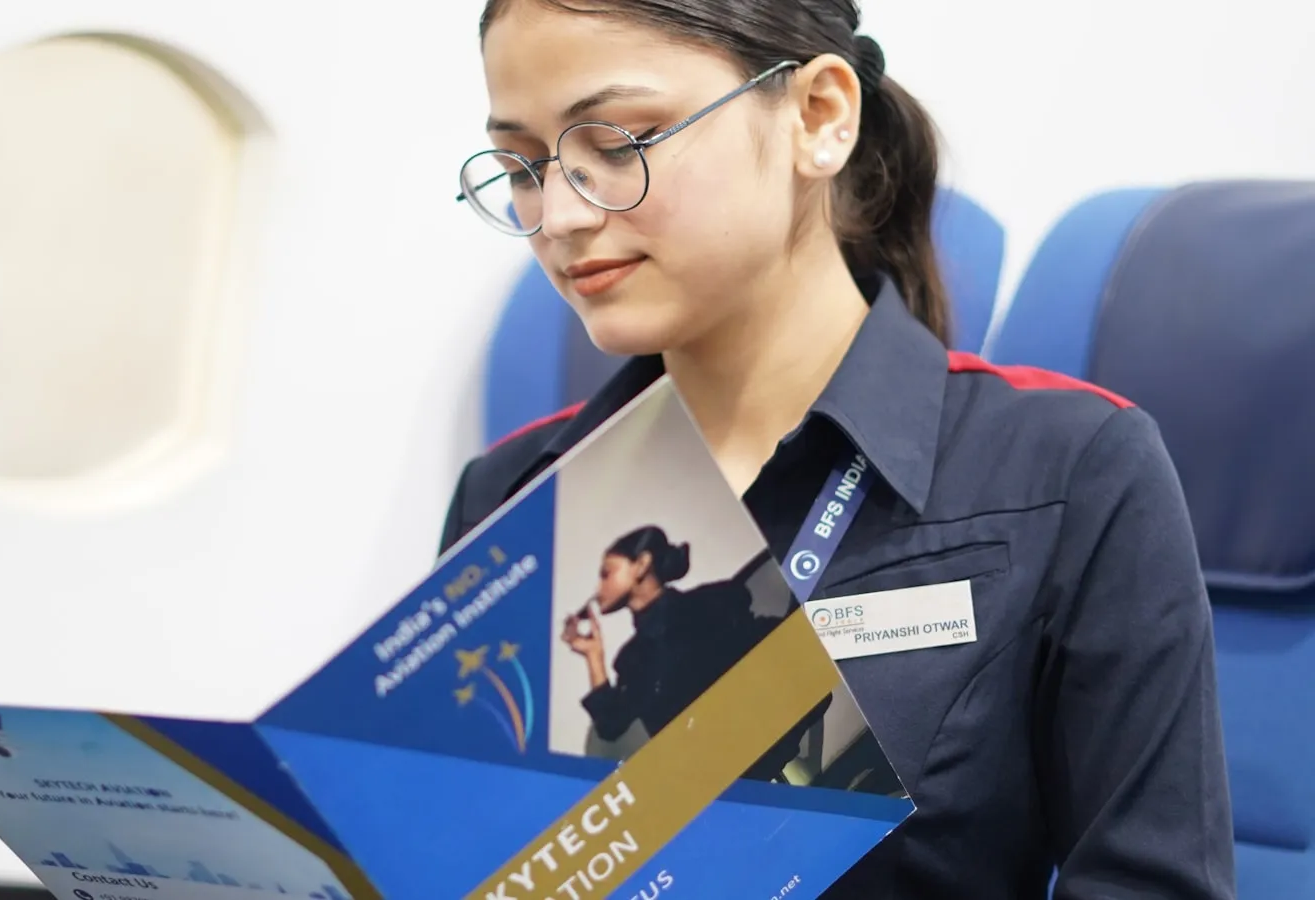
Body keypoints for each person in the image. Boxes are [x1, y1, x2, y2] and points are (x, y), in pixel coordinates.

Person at [436, 1, 1235, 897]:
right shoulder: (513, 496)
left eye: (619, 143)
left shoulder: (1072, 474)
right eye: (524, 163)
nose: (561, 215)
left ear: (818, 117)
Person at [562, 525, 826, 780]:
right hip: (725, 786)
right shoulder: (632, 659)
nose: (598, 588)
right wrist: (593, 655)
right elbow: (611, 724)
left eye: (607, 573)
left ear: (641, 565)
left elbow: (794, 658)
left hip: (760, 761)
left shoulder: (713, 603)